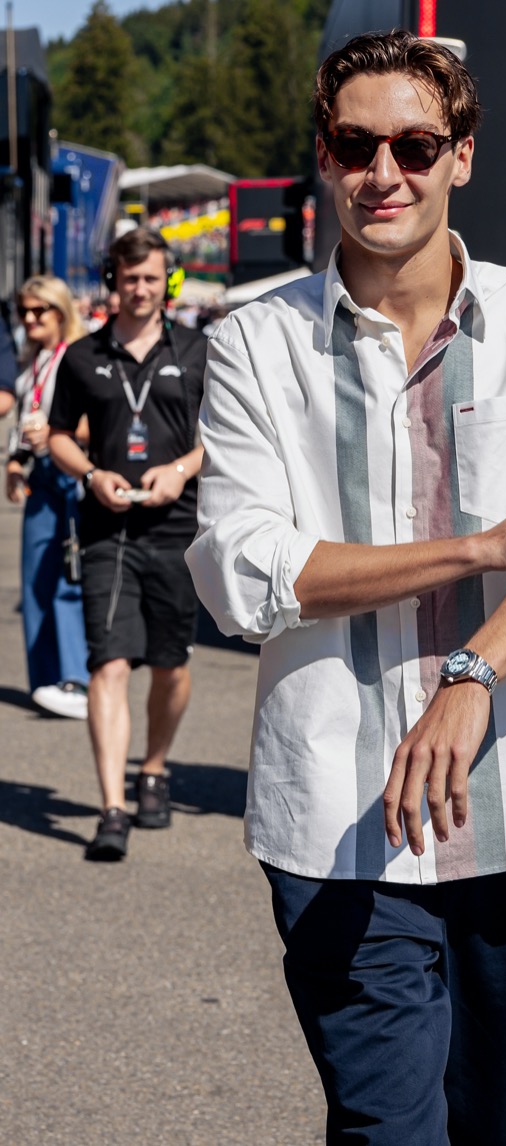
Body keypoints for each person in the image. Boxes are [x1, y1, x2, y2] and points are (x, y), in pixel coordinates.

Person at [186, 30, 506, 1146]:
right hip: (336, 826)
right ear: (322, 154)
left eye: (413, 144)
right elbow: (247, 567)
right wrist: (484, 546)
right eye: (355, 144)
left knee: (502, 1123)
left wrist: (472, 672)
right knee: (386, 1129)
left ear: (461, 156)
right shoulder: (254, 340)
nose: (381, 172)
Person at [48, 228, 206, 862]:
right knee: (107, 664)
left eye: (151, 278)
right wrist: (89, 473)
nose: (140, 290)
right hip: (107, 528)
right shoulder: (83, 356)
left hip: (176, 527)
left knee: (169, 664)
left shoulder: (198, 349)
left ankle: (155, 769)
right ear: (112, 278)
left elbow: (228, 434)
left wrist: (182, 470)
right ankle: (111, 807)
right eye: (129, 277)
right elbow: (58, 435)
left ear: (165, 280)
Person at [4, 276, 90, 718]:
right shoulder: (30, 361)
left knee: (69, 578)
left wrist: (60, 434)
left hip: (74, 475)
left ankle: (77, 678)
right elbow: (23, 418)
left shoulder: (80, 355)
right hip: (42, 476)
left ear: (61, 312)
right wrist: (14, 464)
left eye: (41, 310)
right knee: (36, 578)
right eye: (25, 312)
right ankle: (45, 680)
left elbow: (103, 420)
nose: (32, 319)